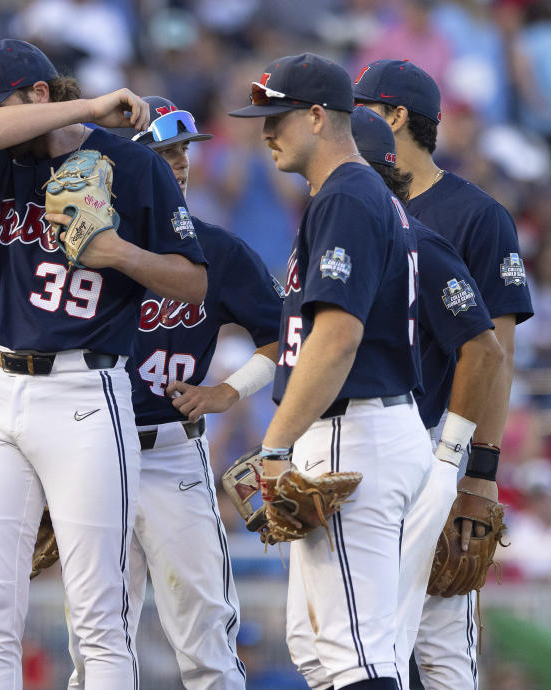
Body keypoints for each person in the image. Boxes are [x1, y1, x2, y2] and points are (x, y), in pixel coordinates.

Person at [0, 39, 208, 690]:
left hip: (84, 392)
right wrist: (88, 106)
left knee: (98, 616)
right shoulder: (1, 160)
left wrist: (117, 253)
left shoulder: (133, 165)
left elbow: (193, 282)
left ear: (38, 95)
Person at [285, 106, 506, 690]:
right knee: (321, 649)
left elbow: (485, 350)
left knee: (382, 651)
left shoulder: (410, 237)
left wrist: (456, 461)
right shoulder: (347, 228)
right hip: (357, 437)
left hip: (378, 438)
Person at [228, 53, 431, 690]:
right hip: (368, 425)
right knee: (322, 652)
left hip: (353, 429)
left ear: (318, 116)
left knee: (355, 656)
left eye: (277, 117)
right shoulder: (350, 195)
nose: (264, 132)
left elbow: (338, 338)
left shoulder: (346, 193)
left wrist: (274, 446)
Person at [66, 96, 282, 689]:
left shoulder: (219, 250)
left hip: (171, 452)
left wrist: (228, 392)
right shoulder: (84, 249)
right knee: (95, 644)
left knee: (206, 633)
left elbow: (283, 338)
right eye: (164, 152)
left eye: (183, 149)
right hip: (92, 451)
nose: (180, 162)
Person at [353, 59, 534, 689]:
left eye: (362, 108)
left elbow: (498, 353)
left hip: (438, 441)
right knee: (360, 637)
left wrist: (480, 473)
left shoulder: (476, 216)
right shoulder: (350, 205)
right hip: (362, 441)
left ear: (396, 117)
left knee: (440, 643)